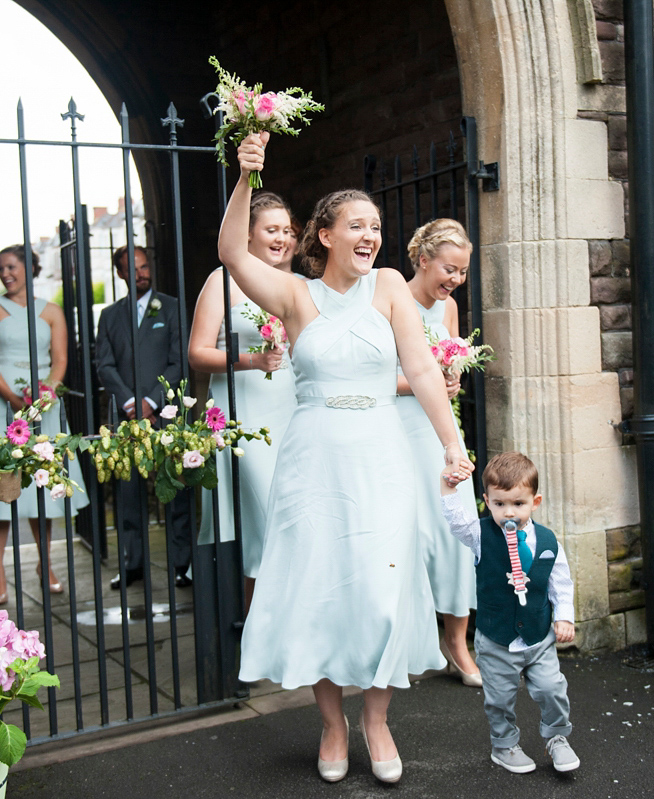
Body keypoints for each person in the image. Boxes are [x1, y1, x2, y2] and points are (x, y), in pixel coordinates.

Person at [219, 132, 473, 784]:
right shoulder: (294, 296)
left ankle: (377, 718)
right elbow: (228, 253)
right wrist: (246, 175)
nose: (370, 235)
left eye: (377, 226)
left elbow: (419, 366)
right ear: (325, 235)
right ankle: (332, 723)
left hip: (382, 456)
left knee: (384, 588)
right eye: (356, 224)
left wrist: (452, 445)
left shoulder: (389, 285)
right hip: (313, 461)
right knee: (322, 591)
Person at [189, 192, 299, 608]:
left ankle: (278, 626)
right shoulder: (222, 282)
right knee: (268, 520)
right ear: (247, 235)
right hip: (244, 416)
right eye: (272, 230)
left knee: (292, 520)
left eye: (288, 231)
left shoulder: (296, 285)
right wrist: (253, 359)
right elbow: (197, 353)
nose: (283, 239)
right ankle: (261, 629)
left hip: (292, 411)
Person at [440, 451, 579, 773]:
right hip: (497, 638)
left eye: (518, 503)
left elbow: (560, 582)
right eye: (499, 504)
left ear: (535, 501)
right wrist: (447, 486)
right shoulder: (480, 535)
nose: (508, 512)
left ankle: (557, 738)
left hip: (538, 636)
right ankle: (504, 745)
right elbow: (456, 521)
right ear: (487, 501)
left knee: (551, 688)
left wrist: (564, 617)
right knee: (499, 699)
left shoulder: (547, 540)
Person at [0, 243, 89, 606]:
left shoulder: (52, 311)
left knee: (42, 485)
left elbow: (60, 360)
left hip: (44, 405)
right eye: (1, 268)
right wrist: (11, 397)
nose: (5, 273)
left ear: (30, 268)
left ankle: (46, 563)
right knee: (4, 487)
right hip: (2, 403)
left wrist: (46, 393)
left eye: (11, 266)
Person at [398, 219, 482, 686]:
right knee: (413, 534)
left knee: (456, 531)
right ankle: (411, 642)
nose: (455, 280)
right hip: (400, 429)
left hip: (440, 432)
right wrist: (423, 384)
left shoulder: (447, 308)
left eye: (462, 272)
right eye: (450, 269)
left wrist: (451, 380)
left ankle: (457, 642)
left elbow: (449, 367)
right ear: (423, 259)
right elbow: (372, 377)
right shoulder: (390, 302)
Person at [96, 245, 193, 591]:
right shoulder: (109, 315)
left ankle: (183, 565)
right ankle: (132, 565)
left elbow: (179, 360)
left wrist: (152, 400)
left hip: (165, 411)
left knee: (176, 489)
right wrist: (129, 403)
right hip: (126, 416)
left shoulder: (172, 307)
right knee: (128, 492)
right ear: (120, 274)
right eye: (131, 269)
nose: (140, 274)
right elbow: (104, 364)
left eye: (143, 266)